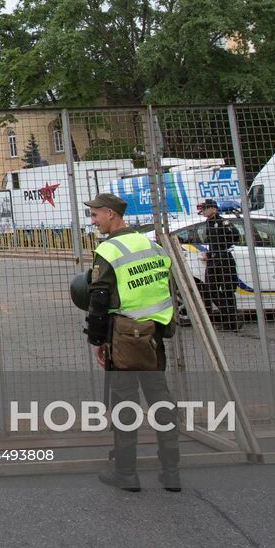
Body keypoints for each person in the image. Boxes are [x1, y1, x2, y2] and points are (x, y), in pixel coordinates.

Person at [84, 193, 181, 492]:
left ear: (111, 214)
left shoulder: (109, 250)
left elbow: (98, 298)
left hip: (123, 337)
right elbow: (167, 287)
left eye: (96, 214)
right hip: (153, 336)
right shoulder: (152, 246)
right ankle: (172, 471)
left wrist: (97, 340)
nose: (93, 220)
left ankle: (126, 472)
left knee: (124, 403)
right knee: (160, 399)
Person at [197, 199, 241, 331]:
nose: (203, 211)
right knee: (211, 290)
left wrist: (217, 251)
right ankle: (232, 318)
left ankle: (231, 322)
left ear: (213, 209)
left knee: (227, 290)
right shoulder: (209, 223)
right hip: (215, 259)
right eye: (203, 209)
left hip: (222, 259)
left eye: (206, 208)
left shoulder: (221, 222)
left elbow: (235, 236)